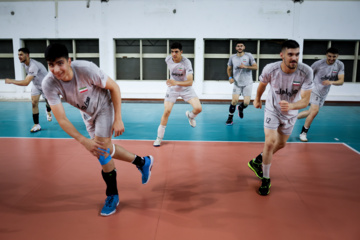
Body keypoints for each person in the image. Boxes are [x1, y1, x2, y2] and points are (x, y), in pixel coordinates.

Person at [42, 43, 154, 216]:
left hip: (104, 106)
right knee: (105, 149)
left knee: (101, 150)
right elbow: (61, 119)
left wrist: (118, 118)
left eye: (59, 63)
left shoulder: (86, 69)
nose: (56, 69)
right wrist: (84, 141)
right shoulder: (49, 83)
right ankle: (142, 162)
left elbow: (114, 87)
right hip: (87, 114)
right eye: (51, 65)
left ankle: (112, 195)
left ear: (69, 61)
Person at [248, 40, 313, 196]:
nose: (294, 58)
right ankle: (266, 179)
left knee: (281, 144)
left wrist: (291, 106)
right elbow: (263, 84)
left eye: (297, 54)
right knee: (270, 142)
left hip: (290, 113)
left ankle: (258, 160)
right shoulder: (271, 69)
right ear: (282, 55)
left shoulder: (306, 72)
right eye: (290, 54)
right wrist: (257, 98)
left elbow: (305, 100)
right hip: (273, 109)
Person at [153, 42, 202, 147]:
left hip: (186, 88)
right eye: (172, 52)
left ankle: (190, 116)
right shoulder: (168, 59)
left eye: (176, 52)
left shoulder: (186, 62)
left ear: (181, 52)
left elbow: (190, 81)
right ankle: (159, 138)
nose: (174, 54)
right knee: (166, 111)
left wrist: (176, 82)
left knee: (198, 108)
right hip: (173, 89)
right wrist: (173, 83)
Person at [297, 48, 344, 142]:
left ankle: (290, 118)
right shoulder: (318, 64)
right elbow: (308, 75)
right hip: (314, 90)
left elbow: (341, 81)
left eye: (334, 56)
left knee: (310, 112)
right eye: (329, 56)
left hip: (324, 93)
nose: (331, 58)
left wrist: (331, 82)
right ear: (326, 55)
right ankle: (303, 133)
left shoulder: (339, 65)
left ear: (337, 56)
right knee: (315, 112)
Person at [5, 47, 52, 132]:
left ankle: (48, 109)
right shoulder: (24, 63)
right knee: (34, 103)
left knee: (49, 103)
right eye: (18, 55)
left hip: (46, 85)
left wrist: (11, 81)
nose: (19, 56)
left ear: (27, 55)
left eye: (21, 54)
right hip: (36, 84)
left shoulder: (33, 66)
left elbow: (26, 82)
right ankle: (37, 125)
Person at [226, 41, 258, 125]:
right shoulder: (232, 57)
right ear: (236, 48)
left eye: (241, 46)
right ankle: (230, 118)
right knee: (234, 101)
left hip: (248, 83)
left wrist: (245, 66)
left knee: (247, 103)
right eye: (238, 46)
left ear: (244, 47)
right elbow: (229, 68)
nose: (239, 47)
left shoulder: (249, 55)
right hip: (237, 83)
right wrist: (230, 77)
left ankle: (240, 107)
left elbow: (256, 67)